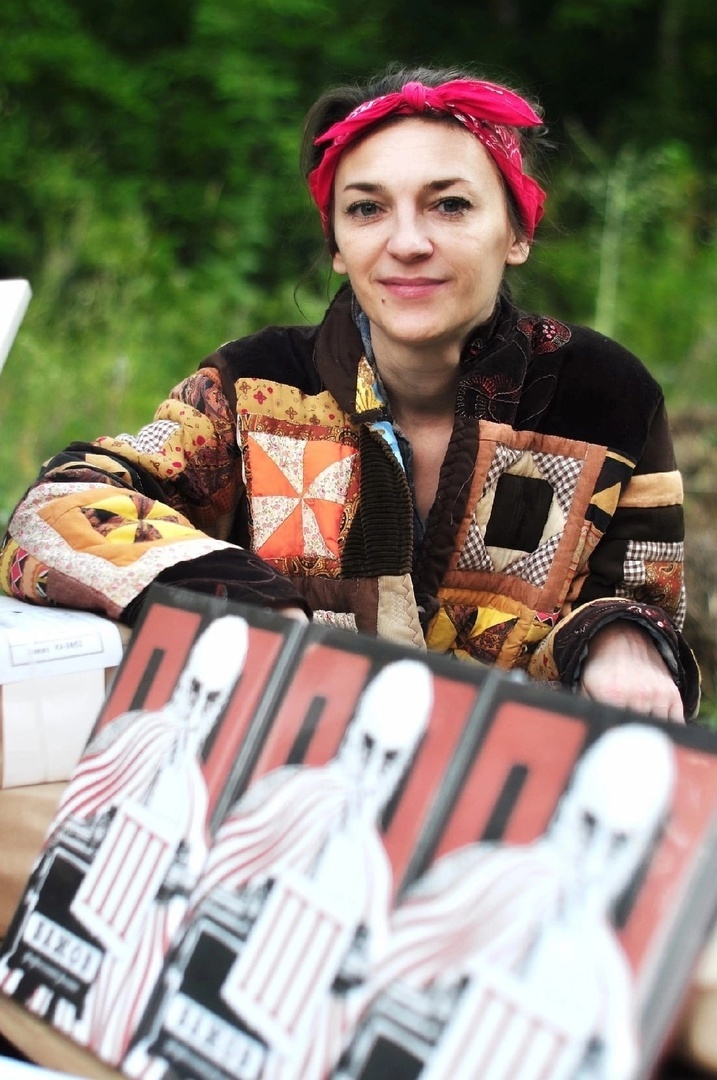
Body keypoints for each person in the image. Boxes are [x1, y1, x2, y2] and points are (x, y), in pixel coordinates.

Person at [0, 65, 698, 722]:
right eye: (367, 208)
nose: (407, 242)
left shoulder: (602, 395)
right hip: (283, 773)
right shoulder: (257, 386)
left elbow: (640, 592)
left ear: (516, 230)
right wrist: (243, 598)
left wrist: (621, 637)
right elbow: (54, 511)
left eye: (450, 205)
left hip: (510, 786)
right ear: (336, 244)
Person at [123, 658, 434, 1080]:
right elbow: (209, 882)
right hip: (207, 995)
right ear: (351, 733)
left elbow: (362, 982)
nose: (370, 772)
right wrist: (254, 901)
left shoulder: (373, 870)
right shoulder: (283, 794)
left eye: (389, 759)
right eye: (366, 746)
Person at [334, 723, 677, 1080]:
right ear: (565, 807)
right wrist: (437, 1009)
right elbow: (374, 980)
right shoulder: (478, 877)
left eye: (619, 843)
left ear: (640, 852)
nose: (593, 863)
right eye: (587, 825)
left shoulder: (608, 982)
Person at [0, 614, 250, 1063]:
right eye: (193, 689)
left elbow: (193, 873)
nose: (196, 708)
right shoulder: (127, 734)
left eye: (211, 699)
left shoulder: (196, 788)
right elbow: (82, 809)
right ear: (181, 681)